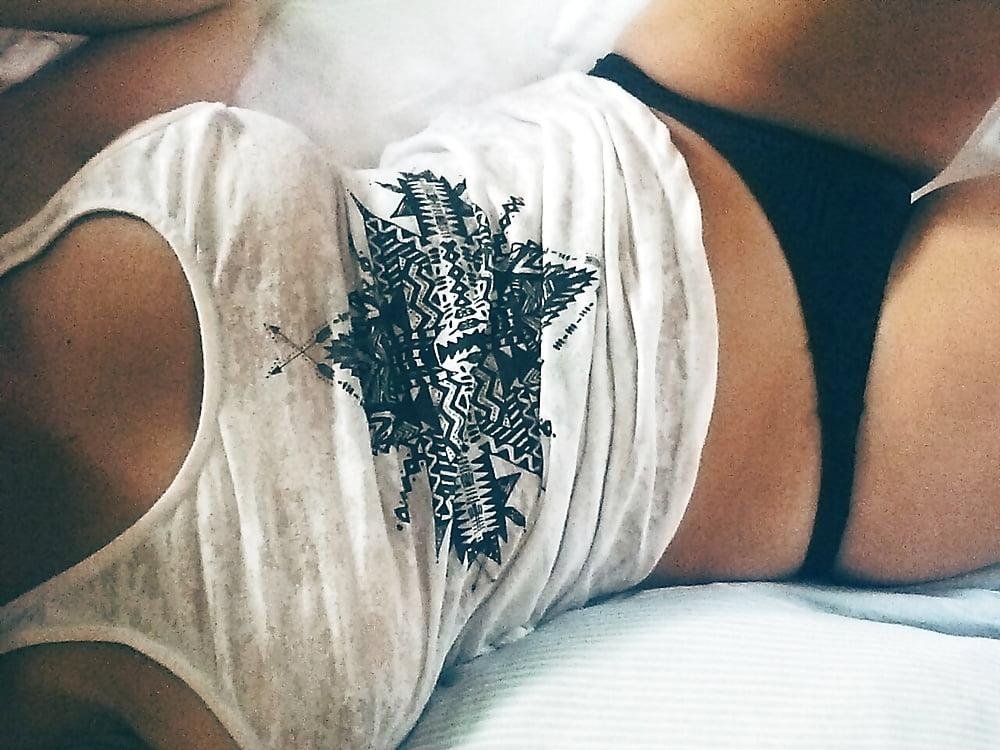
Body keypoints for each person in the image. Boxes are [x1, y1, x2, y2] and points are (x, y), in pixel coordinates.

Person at [1, 0, 997, 747]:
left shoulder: (18, 187)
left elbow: (216, 9)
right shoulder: (71, 700)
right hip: (836, 425)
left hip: (689, 111)